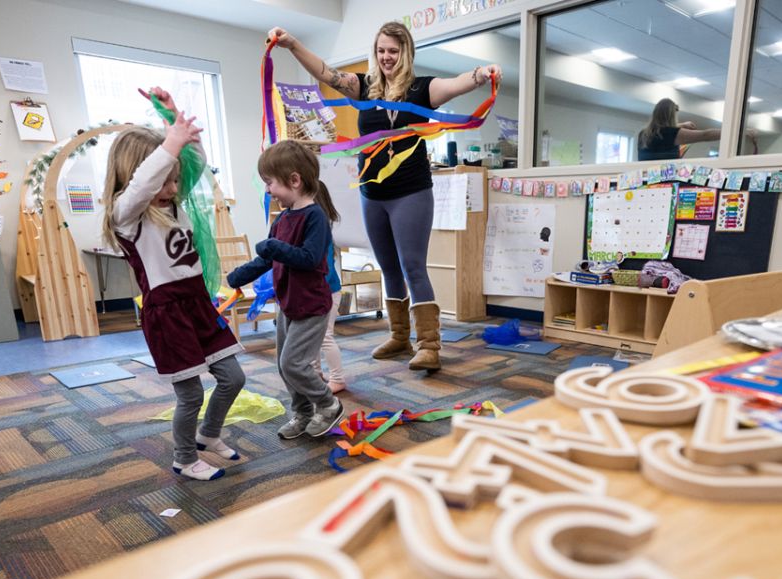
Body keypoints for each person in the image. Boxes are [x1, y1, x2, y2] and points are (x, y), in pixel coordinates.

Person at [267, 21, 501, 372]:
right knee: (387, 266)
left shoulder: (423, 88)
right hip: (372, 193)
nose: (387, 57)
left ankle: (429, 344)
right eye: (381, 50)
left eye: (394, 50)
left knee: (412, 266)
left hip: (411, 192)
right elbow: (325, 73)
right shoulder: (363, 87)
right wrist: (293, 44)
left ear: (405, 52)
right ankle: (399, 336)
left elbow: (456, 85)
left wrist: (481, 73)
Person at [101, 87, 246, 481]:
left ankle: (208, 434)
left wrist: (172, 117)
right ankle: (184, 458)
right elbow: (144, 185)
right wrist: (168, 146)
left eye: (175, 180)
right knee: (190, 394)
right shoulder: (127, 216)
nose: (172, 189)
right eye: (165, 182)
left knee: (234, 377)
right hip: (167, 314)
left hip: (197, 303)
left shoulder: (175, 202)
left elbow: (196, 162)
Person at [227, 140, 345, 440]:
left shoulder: (315, 216)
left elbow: (308, 258)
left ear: (294, 180)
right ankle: (303, 412)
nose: (268, 190)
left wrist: (275, 247)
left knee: (294, 363)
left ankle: (328, 405)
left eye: (270, 183)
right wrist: (238, 276)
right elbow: (268, 257)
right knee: (284, 365)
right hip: (288, 303)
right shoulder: (282, 218)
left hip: (311, 306)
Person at [637, 98, 757, 161]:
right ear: (671, 115)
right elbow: (706, 135)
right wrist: (741, 132)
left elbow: (662, 130)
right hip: (665, 183)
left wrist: (682, 124)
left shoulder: (644, 134)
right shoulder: (672, 134)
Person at [313, 240, 347, 394]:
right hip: (315, 293)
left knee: (325, 335)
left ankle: (337, 379)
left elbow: (325, 270)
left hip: (327, 293)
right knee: (313, 337)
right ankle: (315, 374)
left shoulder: (321, 235)